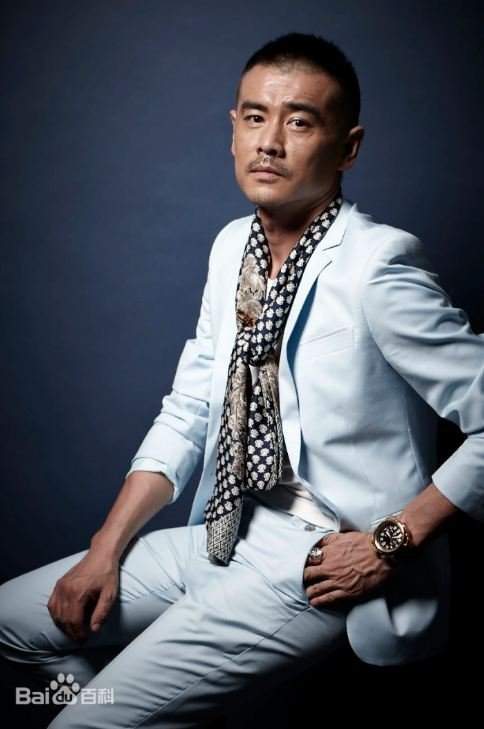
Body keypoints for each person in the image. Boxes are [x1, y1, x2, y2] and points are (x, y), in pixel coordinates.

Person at [1, 31, 483, 728]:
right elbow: (190, 409)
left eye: (300, 122)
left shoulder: (376, 266)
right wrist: (104, 551)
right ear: (233, 131)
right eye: (255, 117)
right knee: (13, 624)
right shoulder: (233, 248)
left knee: (83, 724)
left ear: (347, 148)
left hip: (315, 558)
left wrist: (390, 541)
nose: (270, 143)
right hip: (226, 528)